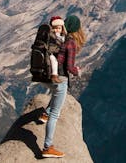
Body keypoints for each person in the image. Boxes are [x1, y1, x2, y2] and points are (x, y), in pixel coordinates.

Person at [29, 13, 86, 159]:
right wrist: (78, 72)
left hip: (45, 76)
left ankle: (45, 114)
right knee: (56, 113)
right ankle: (47, 147)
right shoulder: (71, 42)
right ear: (77, 29)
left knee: (55, 95)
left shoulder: (58, 38)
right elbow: (69, 66)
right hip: (59, 78)